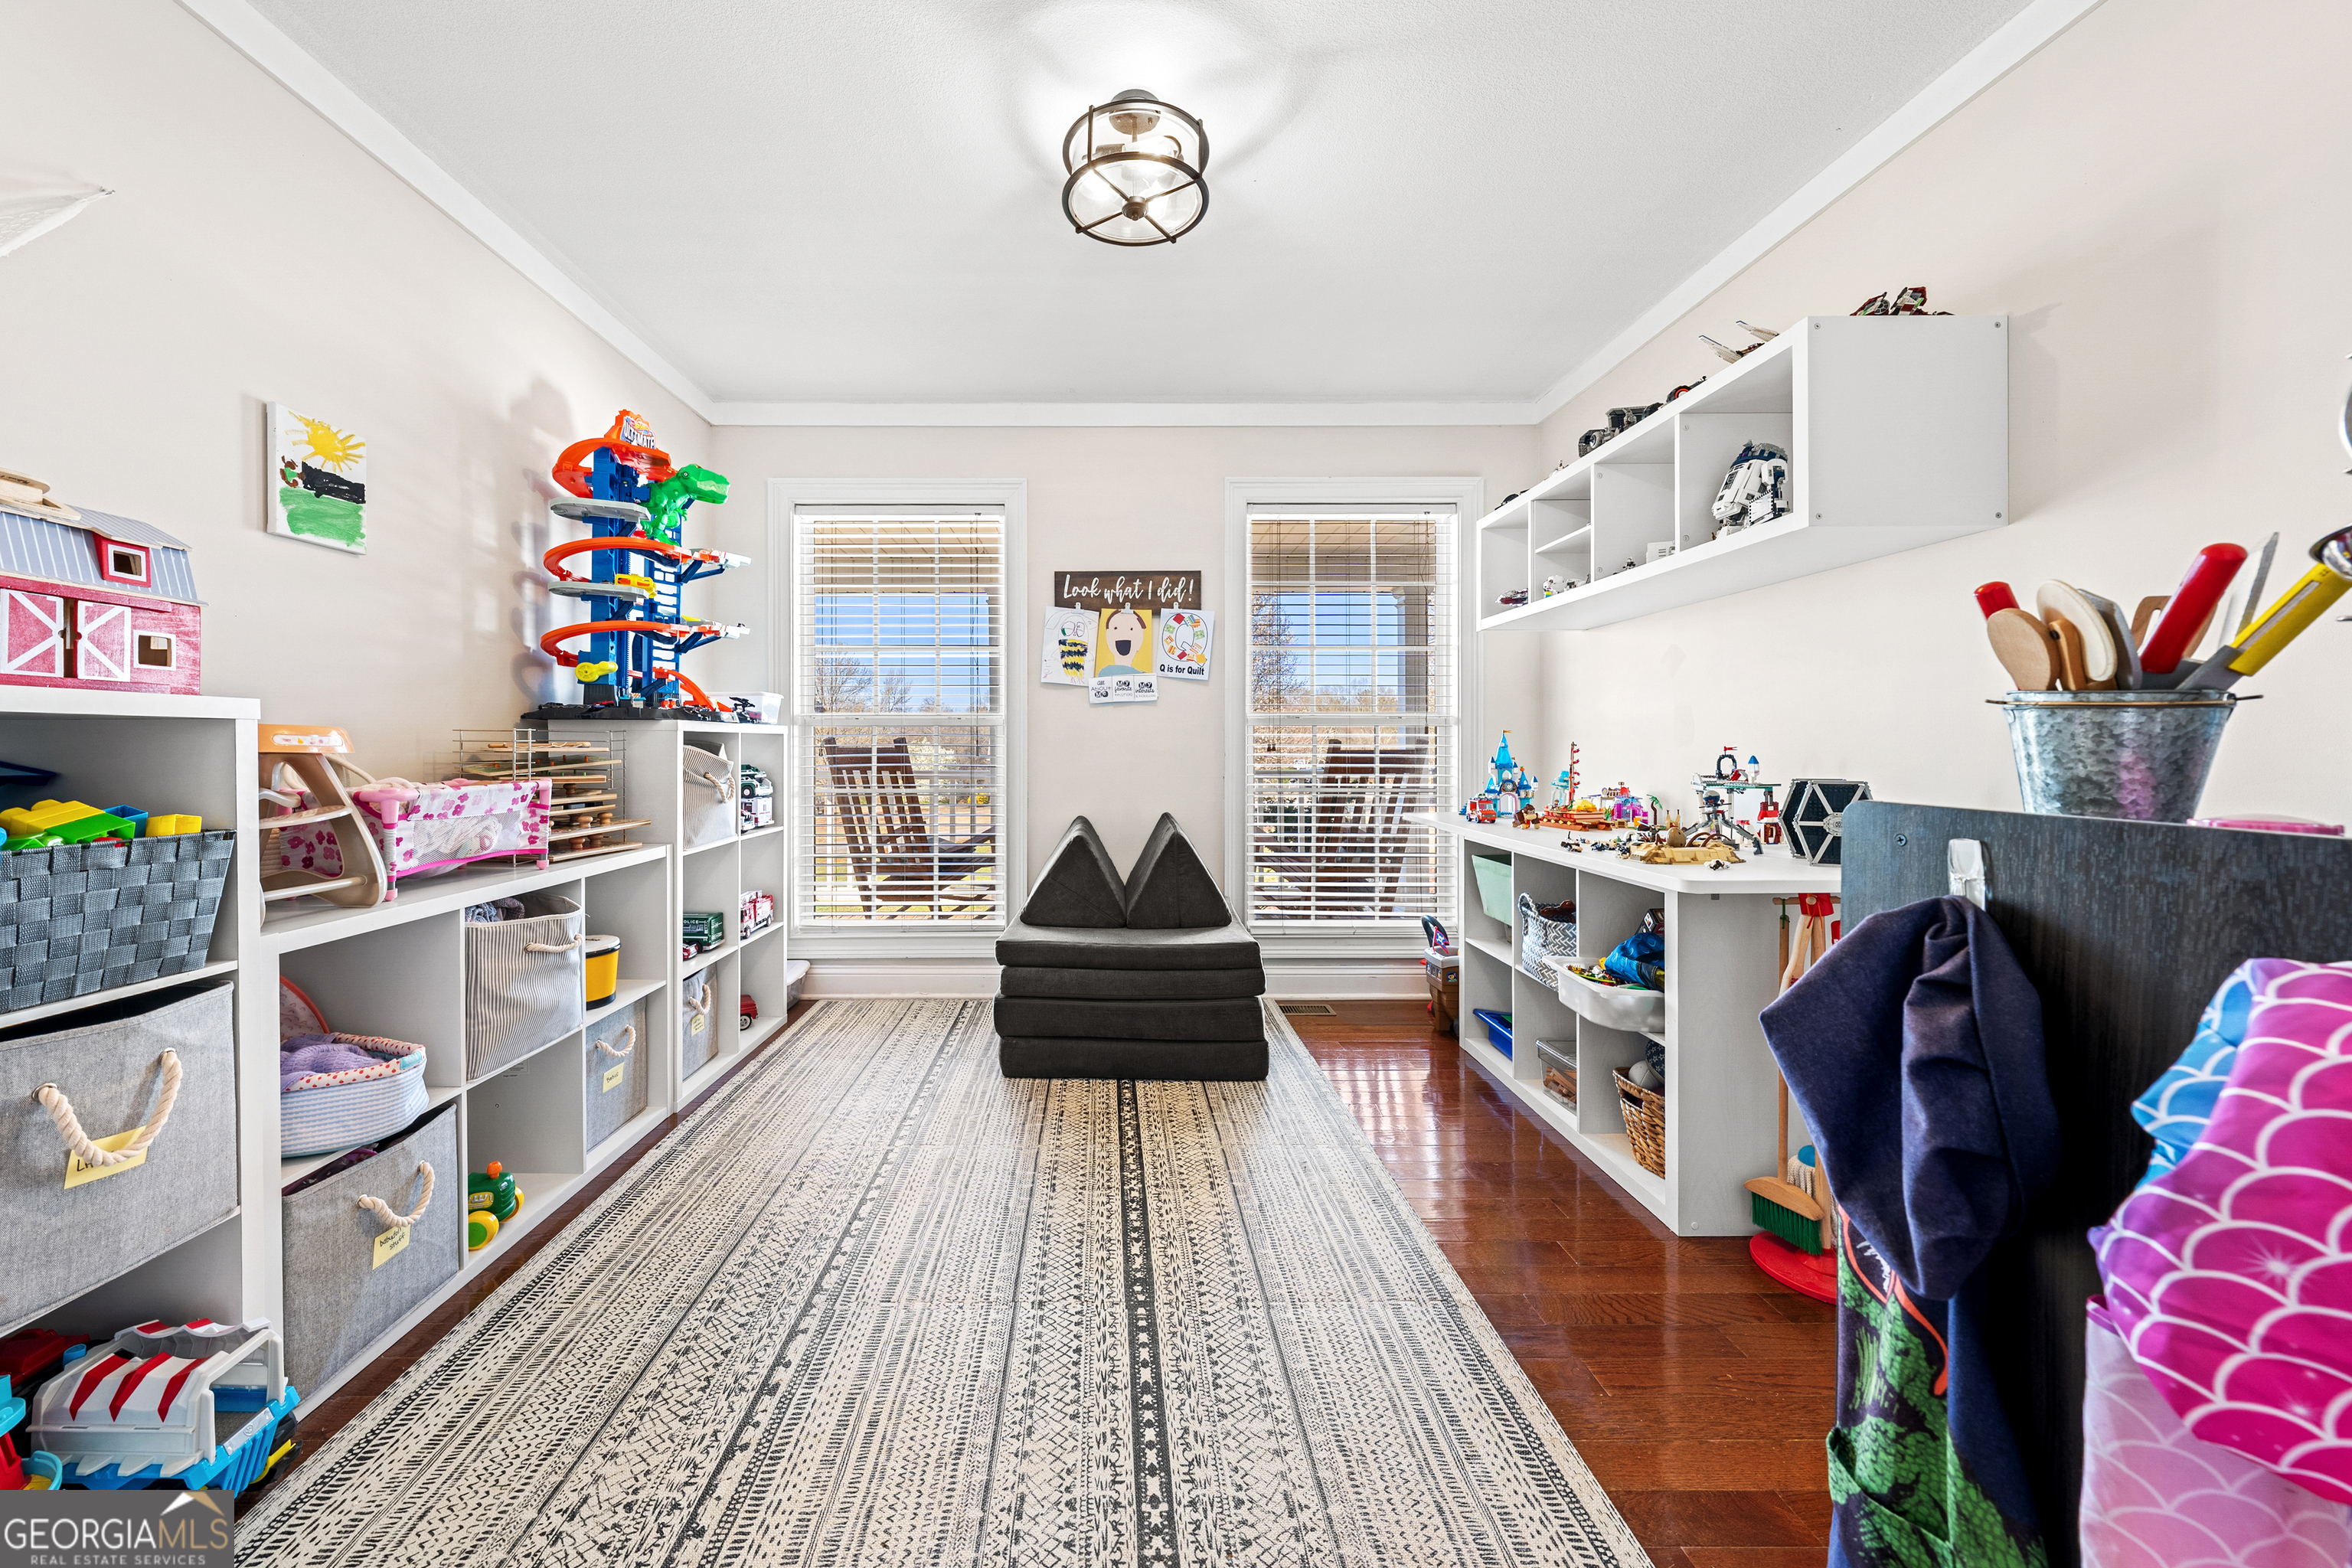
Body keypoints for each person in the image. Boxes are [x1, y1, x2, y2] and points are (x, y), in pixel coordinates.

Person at [1096, 607, 1149, 677]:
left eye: (1131, 629)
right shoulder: (1104, 673)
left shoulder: (1104, 673)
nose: (1124, 634)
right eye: (1115, 628)